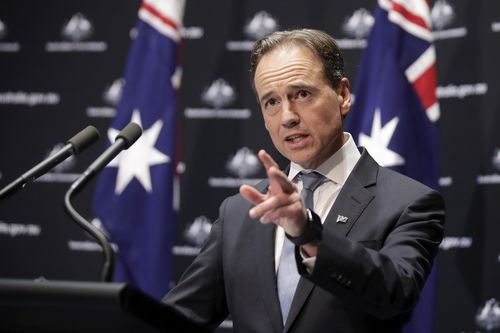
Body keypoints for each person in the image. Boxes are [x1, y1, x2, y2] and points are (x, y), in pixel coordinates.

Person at [163, 29, 445, 333]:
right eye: (271, 102)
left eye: (302, 94)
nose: (287, 117)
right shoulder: (239, 212)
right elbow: (180, 317)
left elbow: (395, 292)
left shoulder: (408, 203)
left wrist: (309, 234)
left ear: (343, 95)